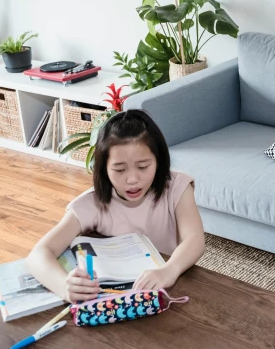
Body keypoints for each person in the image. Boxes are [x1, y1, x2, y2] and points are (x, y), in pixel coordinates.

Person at [26, 109, 206, 303]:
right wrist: (63, 286)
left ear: (159, 161)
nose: (132, 179)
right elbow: (38, 254)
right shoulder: (90, 204)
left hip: (164, 290)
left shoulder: (177, 187)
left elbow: (195, 238)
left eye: (143, 166)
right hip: (111, 300)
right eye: (119, 169)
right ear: (103, 168)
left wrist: (169, 271)